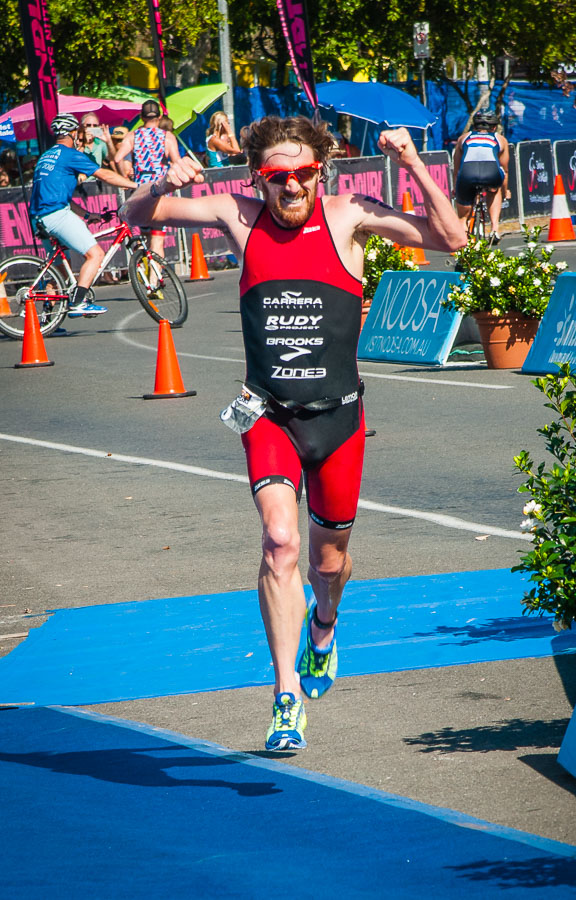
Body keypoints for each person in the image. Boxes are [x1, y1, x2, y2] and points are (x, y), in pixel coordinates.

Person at [120, 114, 466, 750]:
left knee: (327, 563)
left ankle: (326, 623)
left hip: (336, 420)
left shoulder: (348, 215)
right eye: (278, 177)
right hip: (269, 414)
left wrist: (415, 162)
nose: (291, 187)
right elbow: (141, 215)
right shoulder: (234, 213)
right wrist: (158, 179)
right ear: (260, 178)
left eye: (303, 174)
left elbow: (454, 240)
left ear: (320, 172)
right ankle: (285, 697)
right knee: (280, 542)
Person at [29, 113, 137, 316]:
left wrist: (87, 215)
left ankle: (45, 318)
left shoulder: (45, 156)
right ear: (73, 133)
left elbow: (60, 195)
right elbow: (104, 174)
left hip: (38, 218)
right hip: (55, 215)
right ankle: (78, 302)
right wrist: (135, 185)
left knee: (60, 266)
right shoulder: (70, 154)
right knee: (95, 254)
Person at [114, 99, 181, 259]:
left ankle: (143, 271)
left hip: (141, 189)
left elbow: (117, 158)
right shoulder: (167, 136)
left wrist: (124, 174)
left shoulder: (133, 136)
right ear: (159, 117)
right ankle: (154, 278)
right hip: (160, 189)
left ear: (142, 117)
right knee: (157, 238)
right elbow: (177, 161)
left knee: (144, 235)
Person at [453, 109, 510, 243]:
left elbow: (456, 169)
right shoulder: (500, 139)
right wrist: (505, 190)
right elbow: (505, 170)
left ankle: (463, 240)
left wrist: (456, 189)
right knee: (494, 189)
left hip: (467, 175)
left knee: (462, 216)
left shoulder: (463, 138)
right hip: (492, 174)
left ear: (474, 126)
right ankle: (495, 229)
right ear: (495, 127)